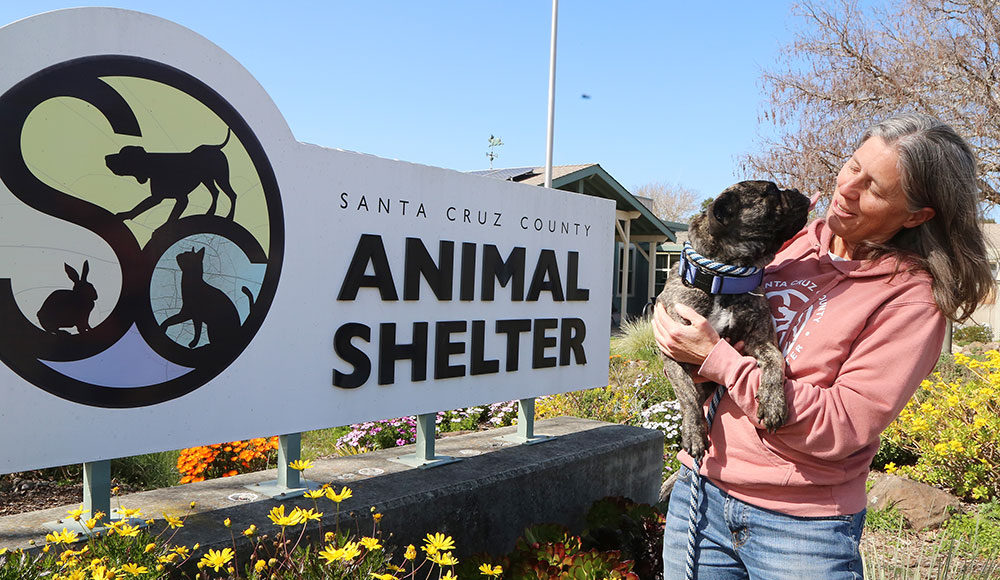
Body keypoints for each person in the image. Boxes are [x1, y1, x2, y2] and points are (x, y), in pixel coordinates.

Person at [655, 113, 995, 579]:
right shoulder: (789, 244)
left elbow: (843, 425)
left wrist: (719, 361)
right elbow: (702, 300)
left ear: (916, 215)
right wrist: (672, 331)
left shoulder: (911, 299)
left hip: (800, 530)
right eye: (853, 166)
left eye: (874, 188)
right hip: (703, 494)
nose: (847, 190)